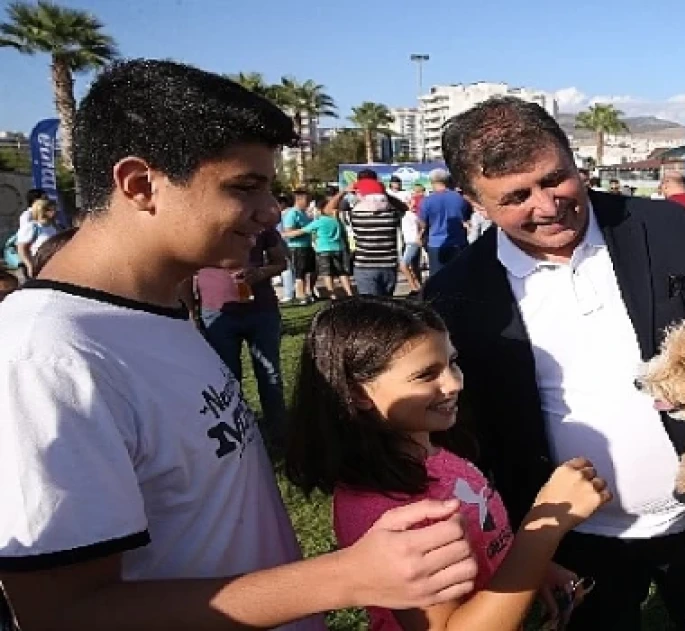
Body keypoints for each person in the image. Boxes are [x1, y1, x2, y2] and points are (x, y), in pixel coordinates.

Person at [0, 59, 478, 630]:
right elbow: (65, 614)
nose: (271, 210)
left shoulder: (160, 308)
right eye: (244, 186)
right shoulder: (47, 354)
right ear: (139, 184)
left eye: (270, 186)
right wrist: (346, 576)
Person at [422, 96, 685, 631]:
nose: (548, 206)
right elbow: (468, 438)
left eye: (556, 179)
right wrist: (528, 546)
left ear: (575, 159)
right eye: (516, 197)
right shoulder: (455, 298)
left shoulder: (669, 230)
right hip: (571, 546)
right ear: (473, 201)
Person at [284, 296, 611, 631]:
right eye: (427, 374)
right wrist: (544, 526)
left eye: (452, 362)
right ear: (357, 393)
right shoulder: (388, 511)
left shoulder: (436, 454)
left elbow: (484, 540)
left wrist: (533, 567)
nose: (454, 383)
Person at [185, 226, 290, 452]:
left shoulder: (260, 225)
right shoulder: (197, 228)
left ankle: (279, 434)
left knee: (269, 373)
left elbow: (281, 262)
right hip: (217, 313)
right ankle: (239, 435)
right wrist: (192, 313)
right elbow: (184, 273)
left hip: (262, 311)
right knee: (227, 378)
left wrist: (261, 273)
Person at [348, 177, 404, 296]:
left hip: (365, 265)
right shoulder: (392, 214)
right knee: (387, 304)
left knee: (371, 306)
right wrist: (385, 193)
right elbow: (404, 207)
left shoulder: (356, 215)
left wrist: (345, 192)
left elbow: (329, 210)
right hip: (389, 265)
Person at [287, 197, 353, 298]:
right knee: (342, 272)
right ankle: (349, 293)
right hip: (338, 248)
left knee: (327, 274)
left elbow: (302, 231)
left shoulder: (319, 221)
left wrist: (285, 234)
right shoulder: (336, 221)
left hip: (323, 250)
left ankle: (332, 294)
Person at [418, 168, 471, 278]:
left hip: (436, 244)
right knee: (459, 277)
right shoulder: (460, 199)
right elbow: (466, 218)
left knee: (438, 278)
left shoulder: (427, 201)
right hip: (459, 242)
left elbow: (423, 224)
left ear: (432, 182)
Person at [281, 189, 316, 304]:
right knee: (300, 272)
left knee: (311, 271)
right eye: (307, 199)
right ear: (299, 199)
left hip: (307, 246)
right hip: (296, 247)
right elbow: (287, 233)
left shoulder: (305, 213)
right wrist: (306, 230)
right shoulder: (292, 213)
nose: (309, 202)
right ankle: (300, 295)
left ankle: (308, 292)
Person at [15, 199, 59, 278]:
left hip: (51, 265)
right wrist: (29, 266)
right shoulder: (32, 227)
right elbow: (22, 249)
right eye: (50, 209)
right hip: (37, 266)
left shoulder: (53, 227)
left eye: (54, 208)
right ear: (41, 211)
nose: (55, 211)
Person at [400, 198, 425, 293]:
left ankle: (413, 287)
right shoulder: (406, 214)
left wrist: (419, 236)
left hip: (413, 242)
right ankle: (419, 286)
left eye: (415, 205)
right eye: (411, 204)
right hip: (410, 241)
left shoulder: (416, 216)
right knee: (415, 266)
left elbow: (423, 226)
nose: (413, 207)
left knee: (403, 265)